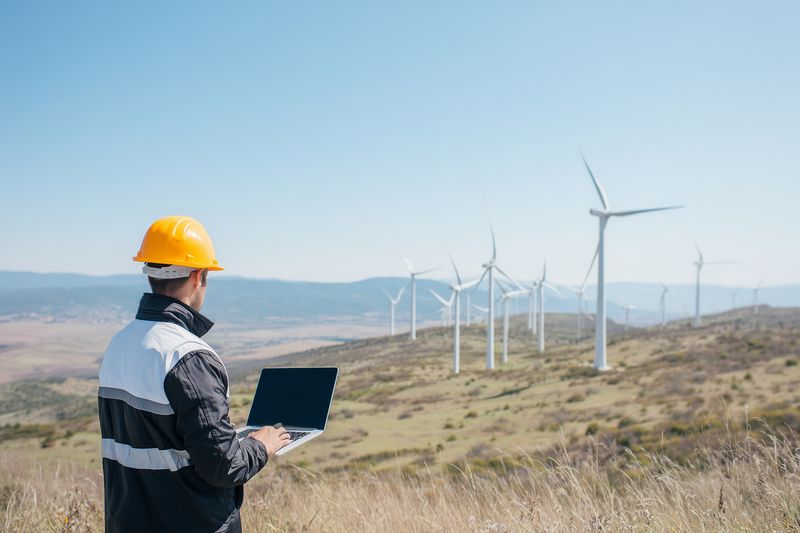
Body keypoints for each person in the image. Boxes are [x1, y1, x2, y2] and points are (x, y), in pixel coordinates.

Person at [97, 215, 288, 532]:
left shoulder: (119, 345)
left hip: (125, 522)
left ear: (150, 275)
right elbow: (223, 467)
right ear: (199, 276)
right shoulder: (188, 357)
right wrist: (260, 445)